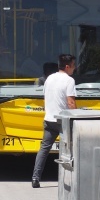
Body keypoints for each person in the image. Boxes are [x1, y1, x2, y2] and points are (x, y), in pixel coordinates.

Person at [31, 54, 77, 188]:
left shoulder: (49, 78)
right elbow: (71, 103)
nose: (74, 68)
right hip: (63, 121)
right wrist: (76, 118)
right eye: (73, 66)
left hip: (49, 119)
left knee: (44, 149)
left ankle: (35, 178)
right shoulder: (69, 80)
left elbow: (46, 97)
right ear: (67, 66)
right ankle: (72, 179)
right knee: (71, 149)